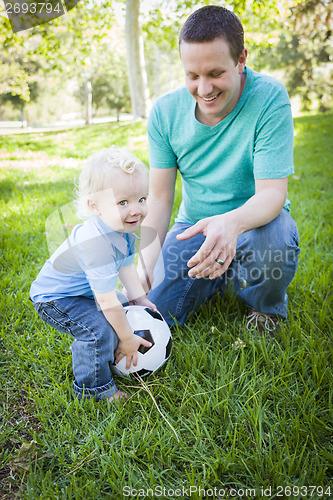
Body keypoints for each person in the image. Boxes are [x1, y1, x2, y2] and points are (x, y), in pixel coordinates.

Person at [138, 5, 300, 336]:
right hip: (193, 228)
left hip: (257, 226)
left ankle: (264, 309)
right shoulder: (165, 114)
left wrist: (230, 224)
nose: (204, 89)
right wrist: (146, 261)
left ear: (241, 59)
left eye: (215, 74)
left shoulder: (269, 98)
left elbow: (272, 193)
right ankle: (215, 275)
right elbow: (158, 197)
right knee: (154, 312)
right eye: (192, 76)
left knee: (279, 238)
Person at [30, 147, 157, 402]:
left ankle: (104, 358)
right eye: (123, 202)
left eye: (141, 199)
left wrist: (140, 300)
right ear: (95, 206)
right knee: (98, 329)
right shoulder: (97, 243)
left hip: (81, 292)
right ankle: (93, 390)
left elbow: (126, 266)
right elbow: (106, 303)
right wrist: (127, 337)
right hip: (55, 299)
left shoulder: (122, 228)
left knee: (123, 305)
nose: (136, 210)